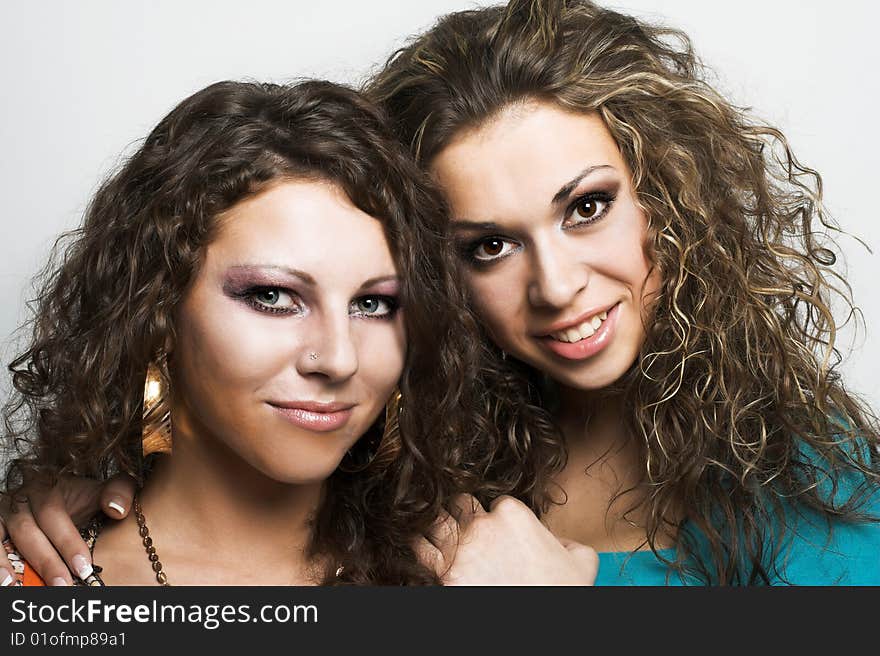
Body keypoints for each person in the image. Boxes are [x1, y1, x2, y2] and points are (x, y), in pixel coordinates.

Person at [8, 0, 880, 585]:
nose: (557, 286)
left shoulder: (819, 479)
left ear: (674, 197)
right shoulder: (420, 453)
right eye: (489, 245)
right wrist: (108, 464)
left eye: (587, 207)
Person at [0, 79, 579, 585]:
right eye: (273, 297)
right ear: (158, 311)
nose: (338, 358)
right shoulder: (29, 578)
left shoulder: (492, 576)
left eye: (374, 304)